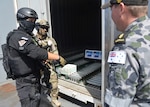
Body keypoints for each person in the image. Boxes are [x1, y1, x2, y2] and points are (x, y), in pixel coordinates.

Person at [7, 7, 66, 107]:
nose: (32, 23)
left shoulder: (28, 36)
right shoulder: (17, 37)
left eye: (34, 21)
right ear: (22, 20)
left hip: (34, 79)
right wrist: (57, 57)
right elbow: (35, 52)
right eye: (30, 20)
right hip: (26, 83)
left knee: (40, 98)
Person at [101, 0, 150, 107]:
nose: (111, 15)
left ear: (121, 8)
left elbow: (117, 102)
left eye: (111, 8)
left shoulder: (125, 47)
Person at [34, 19, 64, 107]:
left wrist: (50, 60)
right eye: (43, 28)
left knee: (54, 83)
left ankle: (54, 99)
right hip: (36, 66)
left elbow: (55, 53)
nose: (45, 30)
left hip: (48, 64)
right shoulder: (33, 40)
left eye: (47, 28)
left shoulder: (51, 40)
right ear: (38, 28)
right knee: (35, 84)